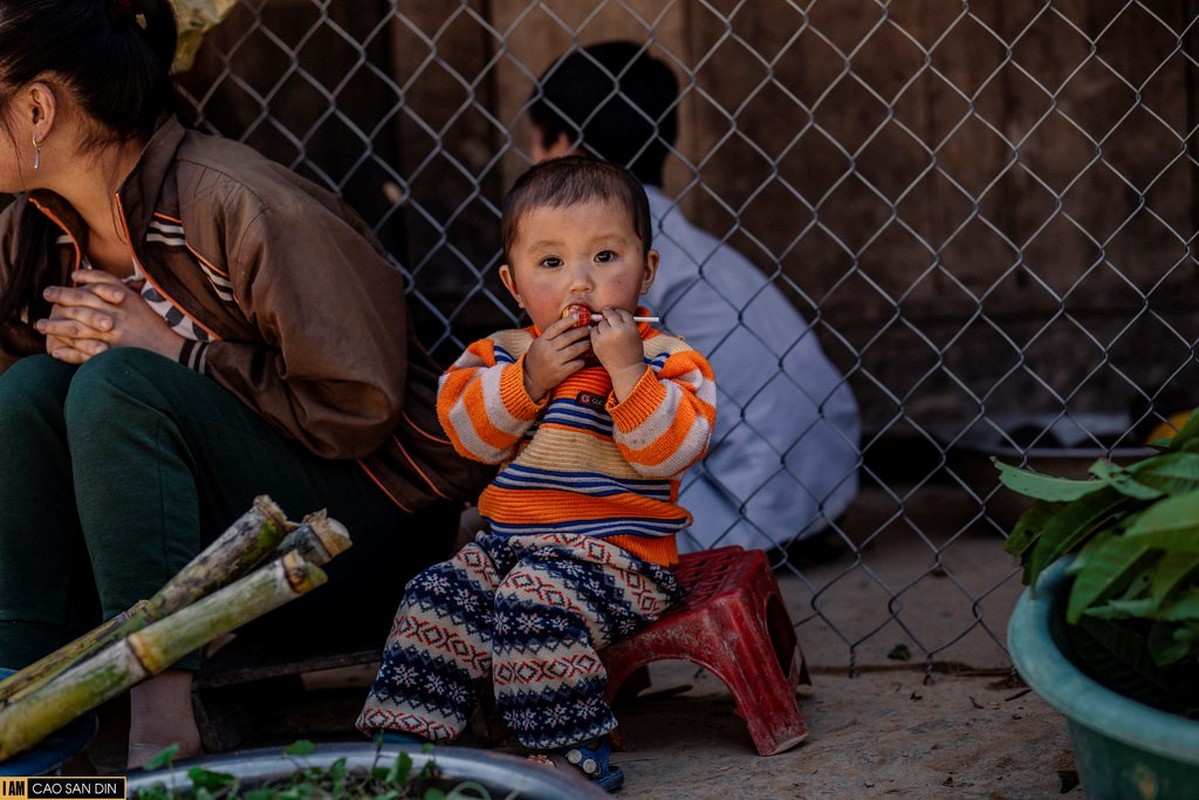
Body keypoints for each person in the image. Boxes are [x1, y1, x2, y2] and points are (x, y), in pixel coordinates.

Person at [0, 0, 491, 767]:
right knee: (31, 388)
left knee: (119, 385)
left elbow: (354, 411)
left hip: (356, 538)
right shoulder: (31, 229)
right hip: (193, 549)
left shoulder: (240, 202)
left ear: (35, 108)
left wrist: (176, 352)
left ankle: (162, 734)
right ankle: (19, 719)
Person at [356, 156, 716, 792]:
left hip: (619, 559)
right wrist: (528, 382)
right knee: (435, 593)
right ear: (514, 284)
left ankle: (573, 756)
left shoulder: (667, 360)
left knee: (533, 603)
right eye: (550, 263)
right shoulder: (499, 356)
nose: (580, 283)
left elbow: (669, 452)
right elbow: (468, 436)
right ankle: (404, 748)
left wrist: (628, 374)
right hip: (507, 545)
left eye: (606, 257)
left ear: (648, 270)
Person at [528, 41, 861, 560]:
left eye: (537, 145)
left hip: (736, 511)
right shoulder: (680, 245)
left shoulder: (600, 255)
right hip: (816, 499)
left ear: (566, 145)